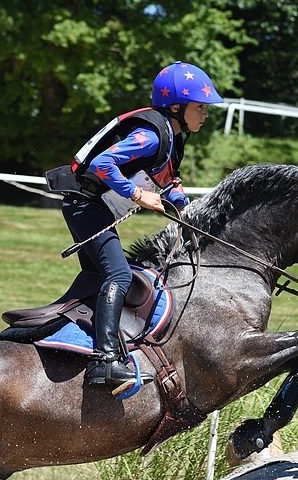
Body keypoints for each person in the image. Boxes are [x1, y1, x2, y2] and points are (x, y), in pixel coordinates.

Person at [60, 60, 223, 393]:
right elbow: (104, 163)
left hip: (96, 206)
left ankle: (92, 338)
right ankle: (104, 363)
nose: (206, 114)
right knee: (118, 275)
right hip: (85, 204)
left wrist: (187, 212)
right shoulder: (151, 135)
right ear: (177, 107)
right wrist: (137, 194)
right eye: (201, 107)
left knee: (101, 275)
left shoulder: (175, 137)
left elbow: (169, 181)